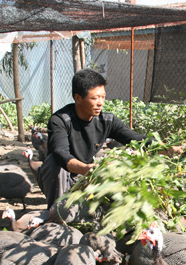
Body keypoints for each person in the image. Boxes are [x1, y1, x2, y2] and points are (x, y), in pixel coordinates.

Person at [37, 69, 149, 208]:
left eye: (103, 97)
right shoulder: (60, 120)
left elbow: (136, 139)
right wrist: (85, 168)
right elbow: (61, 153)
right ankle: (56, 211)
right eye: (95, 98)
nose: (100, 103)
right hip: (61, 179)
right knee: (53, 161)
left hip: (86, 179)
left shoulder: (107, 120)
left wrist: (166, 147)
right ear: (78, 98)